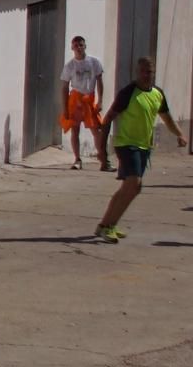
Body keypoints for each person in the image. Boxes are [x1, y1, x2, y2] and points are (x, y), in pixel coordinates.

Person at [94, 56, 187, 242]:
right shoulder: (128, 93)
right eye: (143, 71)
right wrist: (102, 151)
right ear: (137, 72)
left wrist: (180, 134)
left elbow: (167, 118)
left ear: (154, 73)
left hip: (144, 146)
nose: (147, 75)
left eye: (150, 72)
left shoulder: (157, 94)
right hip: (127, 145)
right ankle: (106, 226)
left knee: (132, 188)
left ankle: (106, 224)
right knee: (133, 183)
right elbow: (107, 119)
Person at [60, 35, 108, 171]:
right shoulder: (69, 66)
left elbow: (99, 81)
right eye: (76, 46)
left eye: (81, 45)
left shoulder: (94, 62)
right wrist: (65, 108)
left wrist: (100, 101)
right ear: (72, 48)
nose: (78, 48)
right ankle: (77, 159)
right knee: (75, 130)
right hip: (75, 99)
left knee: (96, 130)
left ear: (85, 46)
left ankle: (103, 159)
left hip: (89, 99)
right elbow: (64, 87)